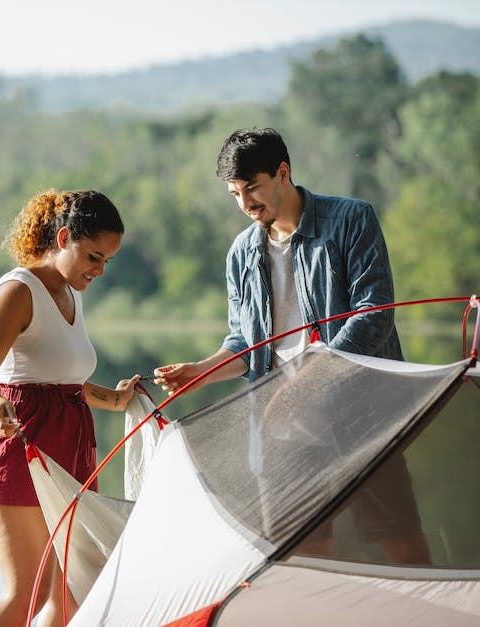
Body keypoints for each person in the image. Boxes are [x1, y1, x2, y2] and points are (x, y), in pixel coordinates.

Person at [154, 127, 430, 564]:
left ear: (283, 172)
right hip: (280, 430)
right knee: (297, 562)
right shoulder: (241, 253)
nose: (245, 204)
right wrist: (202, 370)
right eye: (234, 194)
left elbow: (373, 313)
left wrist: (306, 384)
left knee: (401, 548)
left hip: (365, 419)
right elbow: (246, 344)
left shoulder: (351, 219)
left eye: (252, 188)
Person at [0, 189, 140, 627]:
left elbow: (65, 381)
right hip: (20, 449)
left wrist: (116, 400)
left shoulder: (72, 294)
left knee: (71, 594)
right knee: (28, 592)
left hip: (71, 452)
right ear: (63, 238)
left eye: (106, 262)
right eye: (93, 257)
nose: (98, 271)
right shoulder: (18, 289)